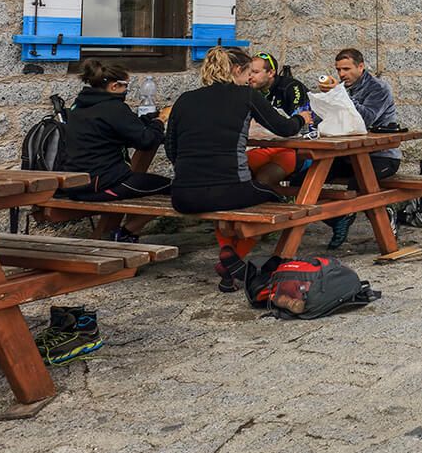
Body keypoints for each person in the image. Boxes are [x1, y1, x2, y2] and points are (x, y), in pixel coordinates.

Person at [166, 46, 305, 291]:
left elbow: (171, 150)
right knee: (274, 200)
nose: (249, 79)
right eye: (248, 72)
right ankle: (233, 257)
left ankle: (229, 258)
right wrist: (302, 119)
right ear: (237, 70)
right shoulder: (246, 96)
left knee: (224, 206)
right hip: (229, 190)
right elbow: (284, 128)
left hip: (183, 196)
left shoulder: (185, 99)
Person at [61, 58, 170, 242]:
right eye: (126, 86)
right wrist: (161, 120)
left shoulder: (78, 106)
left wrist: (152, 118)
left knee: (143, 183)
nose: (127, 91)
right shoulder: (114, 108)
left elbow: (123, 130)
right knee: (176, 189)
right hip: (103, 186)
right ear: (113, 86)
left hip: (75, 185)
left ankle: (119, 233)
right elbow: (146, 141)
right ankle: (127, 232)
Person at [322, 47, 401, 249]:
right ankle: (337, 218)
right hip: (348, 155)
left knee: (358, 184)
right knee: (306, 176)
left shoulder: (378, 88)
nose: (341, 74)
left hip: (382, 156)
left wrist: (339, 95)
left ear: (361, 66)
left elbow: (366, 118)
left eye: (346, 69)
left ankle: (382, 218)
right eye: (339, 70)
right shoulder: (342, 88)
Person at [245, 51, 312, 181]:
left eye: (255, 72)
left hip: (295, 149)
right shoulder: (250, 91)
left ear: (271, 73)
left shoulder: (291, 87)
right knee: (236, 170)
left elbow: (302, 121)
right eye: (249, 72)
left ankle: (277, 198)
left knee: (264, 178)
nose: (250, 77)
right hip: (264, 147)